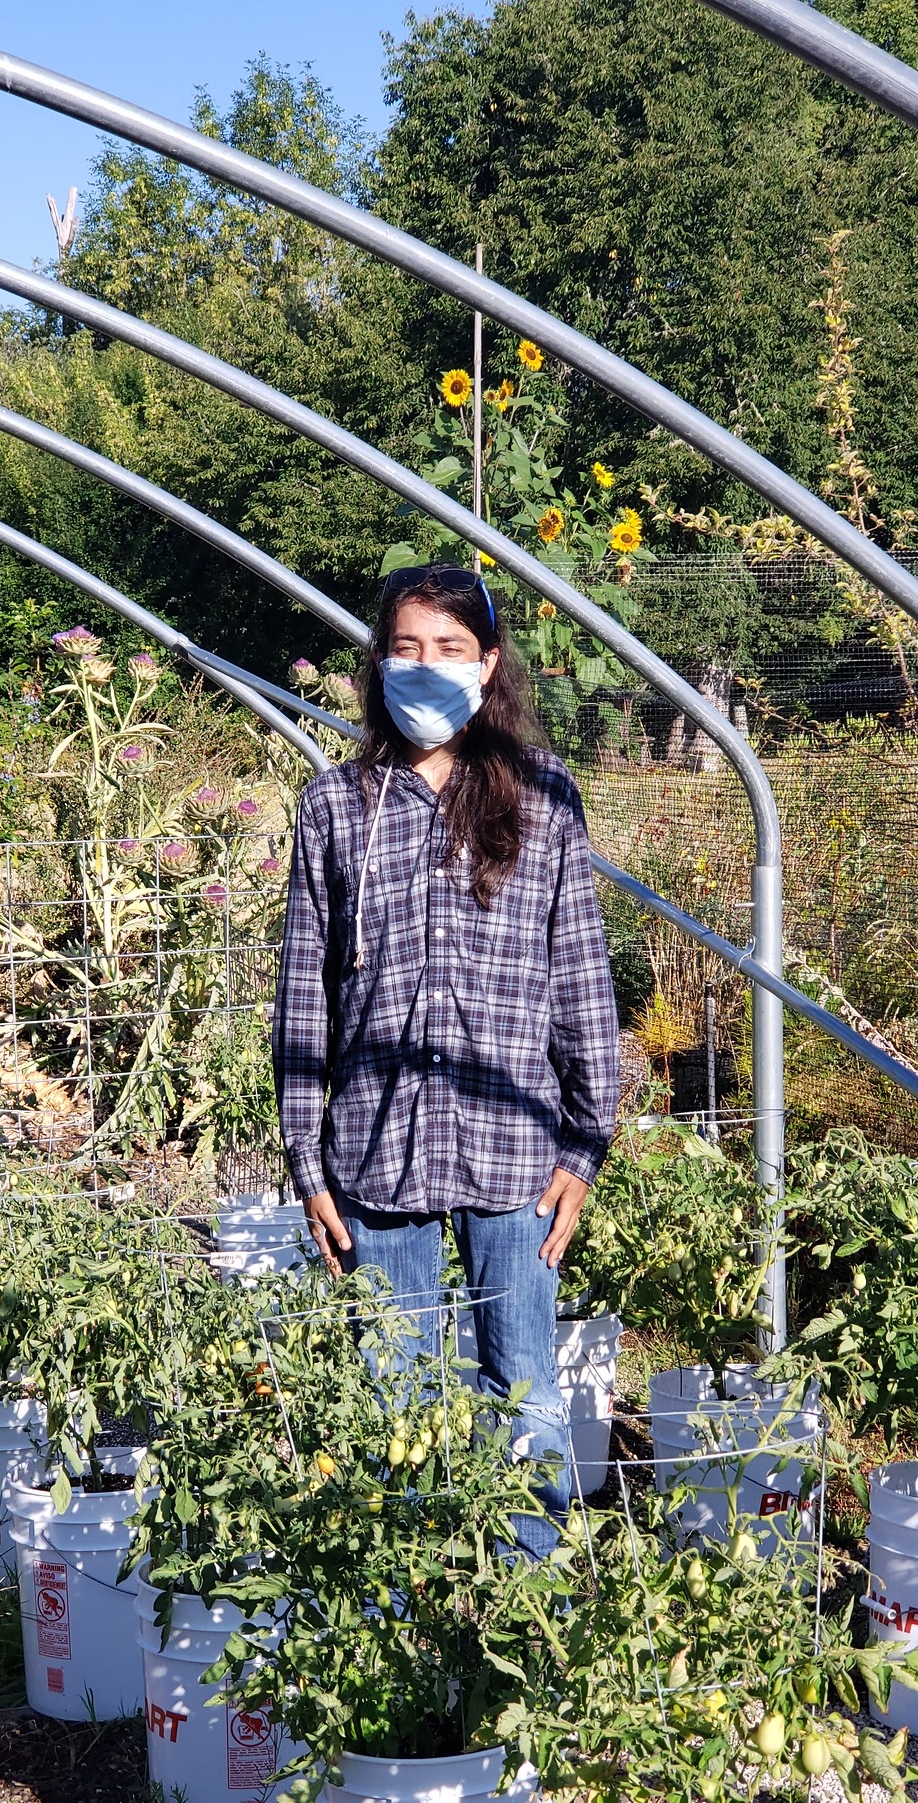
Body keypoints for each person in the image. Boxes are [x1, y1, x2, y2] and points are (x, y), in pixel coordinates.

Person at [272, 561, 621, 1551]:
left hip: (514, 1149)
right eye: (407, 647)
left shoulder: (542, 798)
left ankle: (530, 1608)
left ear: (489, 663)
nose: (426, 667)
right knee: (393, 1404)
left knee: (526, 1391)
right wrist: (309, 1165)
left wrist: (584, 1147)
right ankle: (402, 1623)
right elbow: (306, 996)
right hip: (377, 1154)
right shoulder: (339, 807)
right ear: (380, 662)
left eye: (450, 649)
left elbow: (580, 976)